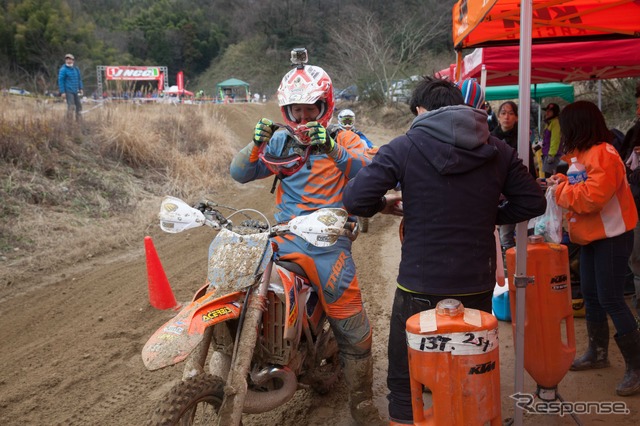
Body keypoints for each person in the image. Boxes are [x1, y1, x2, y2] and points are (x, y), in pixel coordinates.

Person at [342, 76, 546, 424]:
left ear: (420, 110)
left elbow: (354, 199)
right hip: (476, 284)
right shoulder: (498, 149)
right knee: (469, 368)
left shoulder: (404, 147)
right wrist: (490, 215)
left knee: (406, 381)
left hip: (419, 284)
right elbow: (533, 201)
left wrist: (383, 205)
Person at [229, 57, 382, 424]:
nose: (301, 120)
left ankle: (362, 401)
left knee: (348, 316)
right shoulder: (280, 141)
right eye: (295, 111)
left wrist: (332, 148)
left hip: (328, 240)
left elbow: (376, 173)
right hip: (283, 236)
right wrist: (255, 144)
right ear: (285, 110)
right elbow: (239, 173)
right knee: (244, 284)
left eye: (309, 111)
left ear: (325, 108)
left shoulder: (344, 138)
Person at [547, 100, 640, 397]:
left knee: (611, 298)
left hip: (612, 236)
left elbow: (591, 197)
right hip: (590, 237)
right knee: (591, 294)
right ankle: (597, 352)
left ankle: (637, 368)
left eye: (568, 124)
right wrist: (561, 180)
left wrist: (560, 191)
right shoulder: (582, 155)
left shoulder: (605, 153)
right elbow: (581, 183)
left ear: (580, 125)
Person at [491, 101, 538, 251]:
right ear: (498, 117)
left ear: (517, 117)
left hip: (521, 188)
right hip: (501, 192)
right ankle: (509, 264)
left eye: (511, 113)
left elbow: (530, 164)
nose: (507, 117)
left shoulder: (522, 137)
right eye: (503, 113)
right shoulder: (490, 138)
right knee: (505, 235)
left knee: (527, 230)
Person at [620, 82, 640, 315]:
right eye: (636, 105)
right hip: (634, 205)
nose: (637, 110)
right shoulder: (634, 132)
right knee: (635, 258)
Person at [58, 53, 83, 121]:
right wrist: (62, 92)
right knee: (71, 106)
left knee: (79, 106)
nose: (68, 60)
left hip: (76, 90)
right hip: (68, 91)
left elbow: (79, 79)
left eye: (70, 59)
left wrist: (81, 88)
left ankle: (78, 120)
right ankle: (69, 122)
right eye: (67, 59)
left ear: (73, 60)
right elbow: (61, 81)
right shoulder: (63, 69)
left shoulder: (76, 69)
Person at [541, 102, 562, 177]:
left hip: (552, 155)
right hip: (547, 153)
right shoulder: (549, 122)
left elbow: (555, 139)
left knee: (549, 177)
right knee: (548, 176)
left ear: (555, 112)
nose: (547, 113)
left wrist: (551, 154)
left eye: (550, 111)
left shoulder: (556, 122)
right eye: (546, 111)